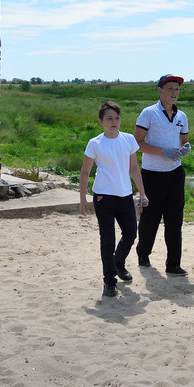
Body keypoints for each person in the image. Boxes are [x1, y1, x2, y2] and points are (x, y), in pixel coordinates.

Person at [79, 101, 148, 298]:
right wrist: (83, 198)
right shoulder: (95, 143)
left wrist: (142, 193)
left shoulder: (128, 140)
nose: (114, 121)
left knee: (131, 234)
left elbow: (134, 168)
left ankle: (119, 263)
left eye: (117, 118)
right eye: (109, 118)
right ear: (101, 121)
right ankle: (109, 281)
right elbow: (85, 172)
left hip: (125, 195)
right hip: (103, 197)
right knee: (107, 240)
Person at [134, 74, 191, 276]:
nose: (174, 93)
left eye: (177, 89)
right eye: (170, 89)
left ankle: (173, 264)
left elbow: (183, 140)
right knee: (150, 217)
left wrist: (185, 148)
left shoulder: (181, 116)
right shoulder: (148, 113)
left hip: (175, 173)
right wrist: (163, 151)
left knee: (175, 219)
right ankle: (143, 254)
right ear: (160, 91)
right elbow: (137, 144)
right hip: (152, 174)